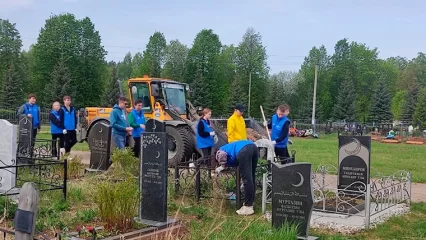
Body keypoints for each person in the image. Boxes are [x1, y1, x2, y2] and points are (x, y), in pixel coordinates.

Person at [215, 140, 259, 216]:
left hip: (243, 151)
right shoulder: (229, 148)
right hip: (253, 147)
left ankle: (248, 207)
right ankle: (251, 202)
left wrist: (222, 165)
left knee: (246, 179)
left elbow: (222, 155)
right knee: (251, 177)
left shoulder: (219, 152)